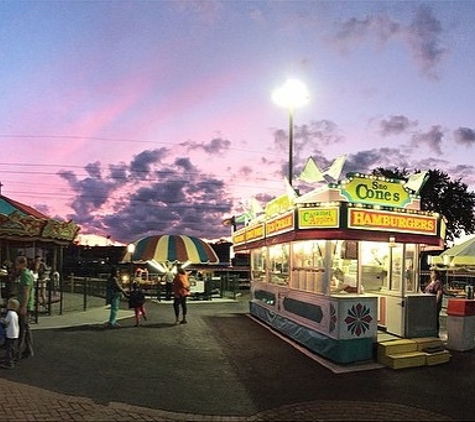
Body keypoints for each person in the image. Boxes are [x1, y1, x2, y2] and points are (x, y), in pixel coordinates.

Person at [14, 255, 35, 359]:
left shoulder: (25, 275)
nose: (16, 266)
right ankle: (28, 350)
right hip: (23, 303)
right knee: (25, 328)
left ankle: (18, 351)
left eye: (17, 264)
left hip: (25, 304)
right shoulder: (24, 274)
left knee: (23, 329)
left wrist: (23, 306)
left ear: (22, 264)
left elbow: (26, 292)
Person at [0, 298, 20, 369]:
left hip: (10, 333)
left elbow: (7, 323)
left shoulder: (10, 313)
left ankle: (9, 363)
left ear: (11, 306)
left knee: (9, 348)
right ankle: (14, 357)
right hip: (15, 333)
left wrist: (2, 320)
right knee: (12, 347)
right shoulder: (15, 314)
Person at [424, 269, 444, 335]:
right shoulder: (430, 282)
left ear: (436, 275)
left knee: (435, 318)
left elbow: (439, 293)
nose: (431, 275)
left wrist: (435, 303)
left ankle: (435, 333)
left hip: (434, 305)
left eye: (433, 273)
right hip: (428, 304)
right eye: (431, 273)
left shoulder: (438, 283)